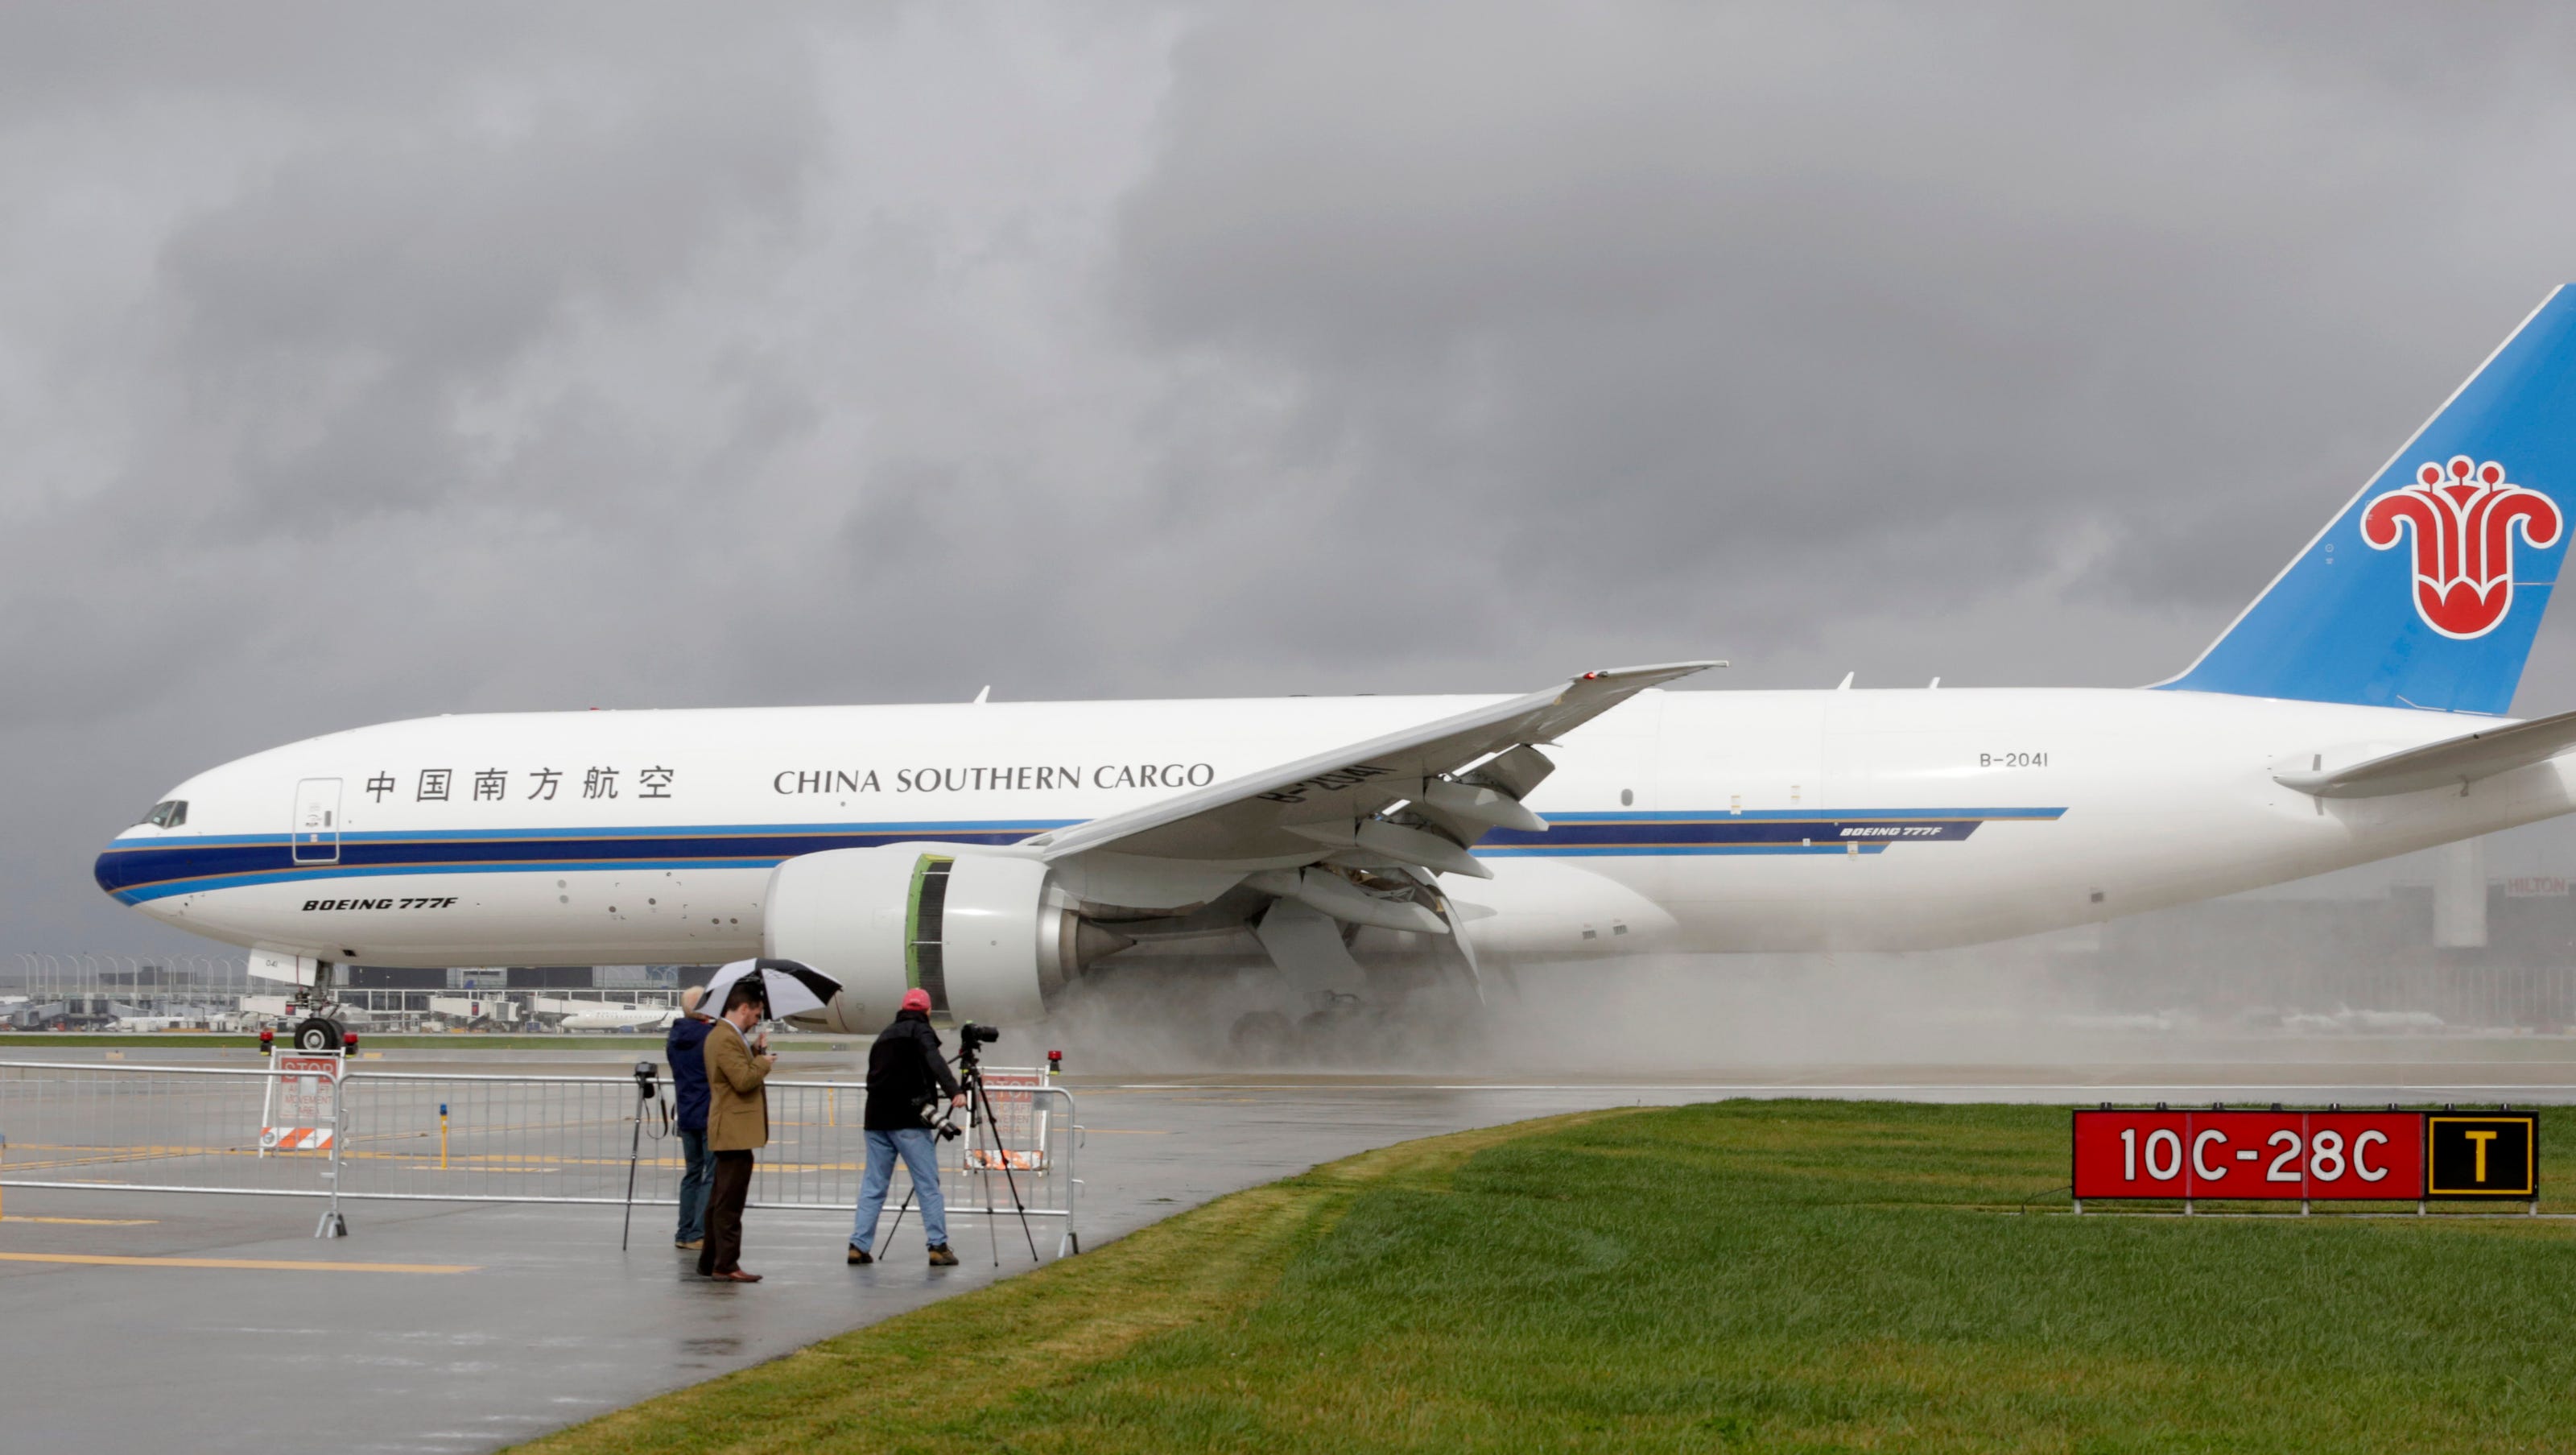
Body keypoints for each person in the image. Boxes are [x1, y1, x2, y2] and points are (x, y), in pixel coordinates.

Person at [848, 987, 967, 1267]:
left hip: (876, 1119)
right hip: (909, 1120)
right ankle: (938, 1246)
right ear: (927, 1012)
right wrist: (954, 1091)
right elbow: (934, 1060)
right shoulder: (920, 1031)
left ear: (902, 1008)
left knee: (874, 1184)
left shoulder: (885, 1035)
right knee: (927, 1184)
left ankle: (858, 1245)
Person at [697, 981, 775, 1283]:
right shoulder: (725, 1038)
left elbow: (736, 1071)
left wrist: (754, 1049)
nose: (757, 1020)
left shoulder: (731, 1036)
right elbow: (742, 1080)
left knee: (720, 1199)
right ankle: (726, 1264)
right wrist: (763, 1062)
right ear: (744, 1008)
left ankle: (711, 1260)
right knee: (729, 1203)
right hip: (732, 1130)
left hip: (733, 1130)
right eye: (756, 1014)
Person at [664, 986, 715, 1251]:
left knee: (692, 1174)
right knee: (711, 1175)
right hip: (708, 1112)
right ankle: (698, 1232)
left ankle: (684, 1232)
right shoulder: (710, 1036)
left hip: (686, 1112)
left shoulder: (675, 1036)